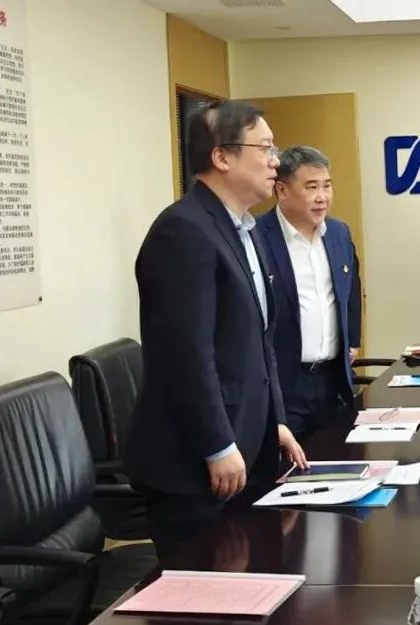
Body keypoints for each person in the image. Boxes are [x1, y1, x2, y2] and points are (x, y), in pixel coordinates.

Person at [125, 100, 308, 557]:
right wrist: (217, 445)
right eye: (265, 148)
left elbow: (259, 341)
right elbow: (184, 354)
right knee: (206, 582)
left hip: (247, 445)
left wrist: (274, 422)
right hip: (196, 465)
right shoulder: (183, 232)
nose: (276, 161)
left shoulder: (245, 229)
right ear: (221, 157)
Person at [258, 146, 362, 437]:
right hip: (284, 385)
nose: (322, 197)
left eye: (327, 186)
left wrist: (353, 339)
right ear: (282, 190)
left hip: (333, 381)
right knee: (290, 463)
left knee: (339, 456)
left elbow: (351, 287)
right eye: (311, 187)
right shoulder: (257, 236)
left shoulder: (339, 233)